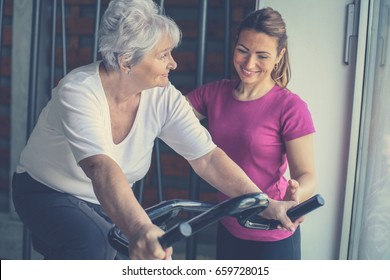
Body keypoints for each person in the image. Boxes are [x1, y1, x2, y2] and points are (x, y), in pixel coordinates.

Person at [12, 0, 298, 260]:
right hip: (47, 191)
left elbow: (207, 158)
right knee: (96, 244)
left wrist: (263, 202)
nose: (173, 63)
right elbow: (100, 167)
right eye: (163, 55)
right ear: (126, 61)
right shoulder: (79, 91)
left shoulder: (162, 96)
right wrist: (139, 228)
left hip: (102, 202)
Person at [186, 7, 316, 260]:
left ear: (280, 56)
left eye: (262, 56)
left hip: (273, 232)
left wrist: (297, 195)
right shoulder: (214, 94)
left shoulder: (291, 107)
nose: (249, 64)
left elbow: (307, 174)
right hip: (228, 226)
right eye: (243, 51)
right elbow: (170, 115)